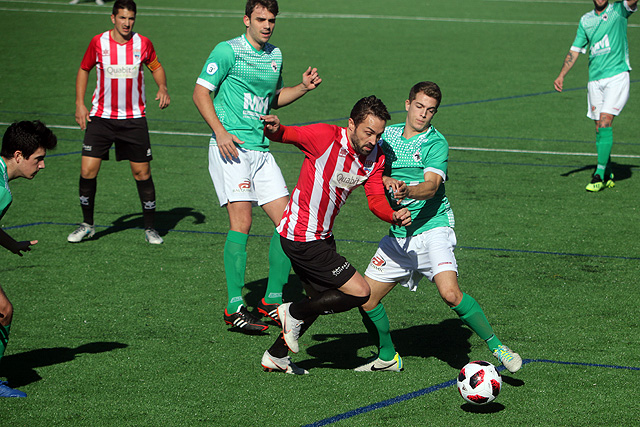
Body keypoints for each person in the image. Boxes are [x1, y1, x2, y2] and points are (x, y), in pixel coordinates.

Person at [355, 82, 522, 373]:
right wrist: (385, 182)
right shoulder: (387, 136)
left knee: (450, 294)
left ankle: (497, 346)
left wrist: (407, 191)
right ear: (407, 104)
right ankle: (388, 357)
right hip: (399, 236)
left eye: (430, 110)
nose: (423, 115)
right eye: (419, 107)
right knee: (366, 299)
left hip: (433, 229)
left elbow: (432, 187)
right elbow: (370, 172)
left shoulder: (436, 143)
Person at [193, 0, 322, 333]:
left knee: (289, 223)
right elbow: (200, 93)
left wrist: (303, 89)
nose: (267, 25)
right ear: (247, 19)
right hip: (231, 148)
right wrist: (220, 132)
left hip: (262, 151)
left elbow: (271, 97)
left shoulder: (274, 55)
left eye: (272, 20)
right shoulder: (227, 51)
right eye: (261, 19)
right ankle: (234, 307)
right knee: (243, 221)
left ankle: (271, 300)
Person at [258, 96, 412, 374]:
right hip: (301, 236)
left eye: (378, 135)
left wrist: (393, 215)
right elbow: (287, 134)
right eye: (368, 132)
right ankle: (292, 312)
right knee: (360, 291)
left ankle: (277, 355)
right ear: (351, 124)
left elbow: (376, 199)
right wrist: (274, 129)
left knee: (321, 299)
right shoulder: (324, 136)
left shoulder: (375, 157)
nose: (372, 140)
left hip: (322, 236)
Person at [68, 0, 171, 244]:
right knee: (87, 170)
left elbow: (156, 66)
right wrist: (79, 104)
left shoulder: (142, 43)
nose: (127, 23)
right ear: (112, 18)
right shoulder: (98, 42)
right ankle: (87, 225)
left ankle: (149, 228)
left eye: (131, 18)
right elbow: (84, 69)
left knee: (141, 173)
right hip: (101, 118)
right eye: (122, 18)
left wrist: (162, 86)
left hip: (134, 119)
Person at [553, 0, 637, 192]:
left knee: (605, 121)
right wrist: (561, 74)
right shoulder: (586, 20)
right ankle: (607, 170)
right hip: (595, 81)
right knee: (599, 127)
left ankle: (598, 174)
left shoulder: (618, 11)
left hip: (617, 77)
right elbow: (575, 50)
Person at [0, 121, 58, 397]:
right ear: (19, 156)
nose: (42, 165)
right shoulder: (2, 191)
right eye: (39, 159)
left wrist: (10, 244)